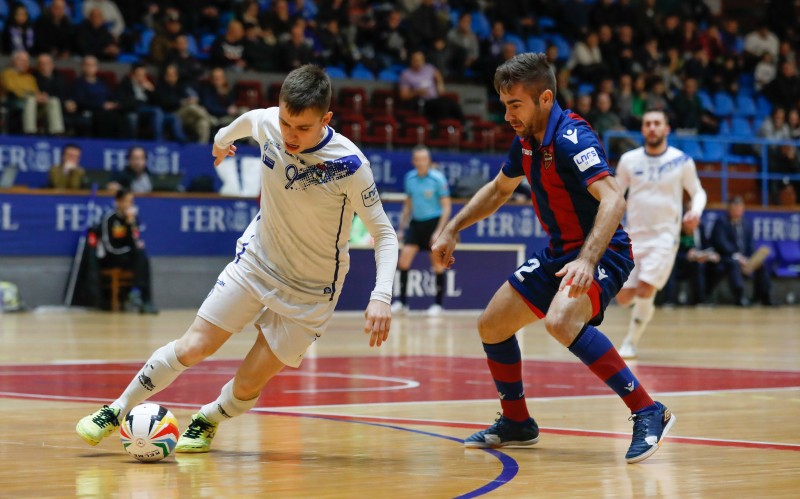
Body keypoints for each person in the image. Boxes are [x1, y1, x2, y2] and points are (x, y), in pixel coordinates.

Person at [76, 65, 398, 453]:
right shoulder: (268, 123)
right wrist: (220, 141)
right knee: (193, 346)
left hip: (312, 291)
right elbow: (242, 124)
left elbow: (384, 234)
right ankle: (117, 408)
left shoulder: (350, 165)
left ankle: (208, 418)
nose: (290, 136)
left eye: (303, 128)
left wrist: (380, 295)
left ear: (326, 119)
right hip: (256, 263)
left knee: (248, 383)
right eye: (285, 123)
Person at [431, 53, 674, 464]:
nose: (507, 113)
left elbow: (614, 198)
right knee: (491, 325)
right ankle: (516, 422)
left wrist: (587, 261)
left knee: (561, 320)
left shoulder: (571, 138)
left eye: (514, 104)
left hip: (604, 252)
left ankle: (648, 410)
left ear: (545, 98)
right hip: (559, 253)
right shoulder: (526, 141)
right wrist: (453, 228)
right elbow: (497, 190)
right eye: (503, 104)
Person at [614, 109, 707, 359]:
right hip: (634, 237)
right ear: (643, 130)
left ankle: (630, 342)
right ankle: (641, 312)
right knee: (623, 298)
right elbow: (614, 195)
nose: (652, 127)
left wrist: (695, 212)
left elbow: (698, 192)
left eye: (657, 123)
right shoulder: (629, 161)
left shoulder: (681, 160)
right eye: (648, 124)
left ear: (666, 129)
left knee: (646, 289)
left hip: (665, 237)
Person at [392, 145, 451, 316]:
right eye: (417, 159)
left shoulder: (437, 179)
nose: (420, 162)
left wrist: (438, 232)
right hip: (416, 224)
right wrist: (401, 228)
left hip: (434, 224)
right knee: (403, 262)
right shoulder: (409, 178)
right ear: (413, 161)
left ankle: (438, 305)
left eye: (424, 159)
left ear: (429, 161)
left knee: (437, 266)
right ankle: (402, 303)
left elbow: (446, 208)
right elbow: (408, 205)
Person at [97, 188, 158, 314]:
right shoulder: (110, 219)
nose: (129, 205)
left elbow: (134, 241)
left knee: (143, 258)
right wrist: (132, 249)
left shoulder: (131, 219)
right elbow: (109, 246)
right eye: (126, 201)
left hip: (128, 256)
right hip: (112, 256)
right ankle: (139, 295)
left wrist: (130, 224)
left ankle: (142, 298)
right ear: (118, 201)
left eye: (131, 202)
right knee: (140, 256)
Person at [709, 196, 773, 306]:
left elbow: (749, 245)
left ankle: (762, 298)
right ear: (729, 209)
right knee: (733, 264)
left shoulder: (746, 223)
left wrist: (752, 259)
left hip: (745, 259)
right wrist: (738, 257)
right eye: (735, 208)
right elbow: (721, 243)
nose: (738, 210)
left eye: (740, 208)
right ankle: (740, 297)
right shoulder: (721, 222)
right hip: (726, 257)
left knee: (760, 265)